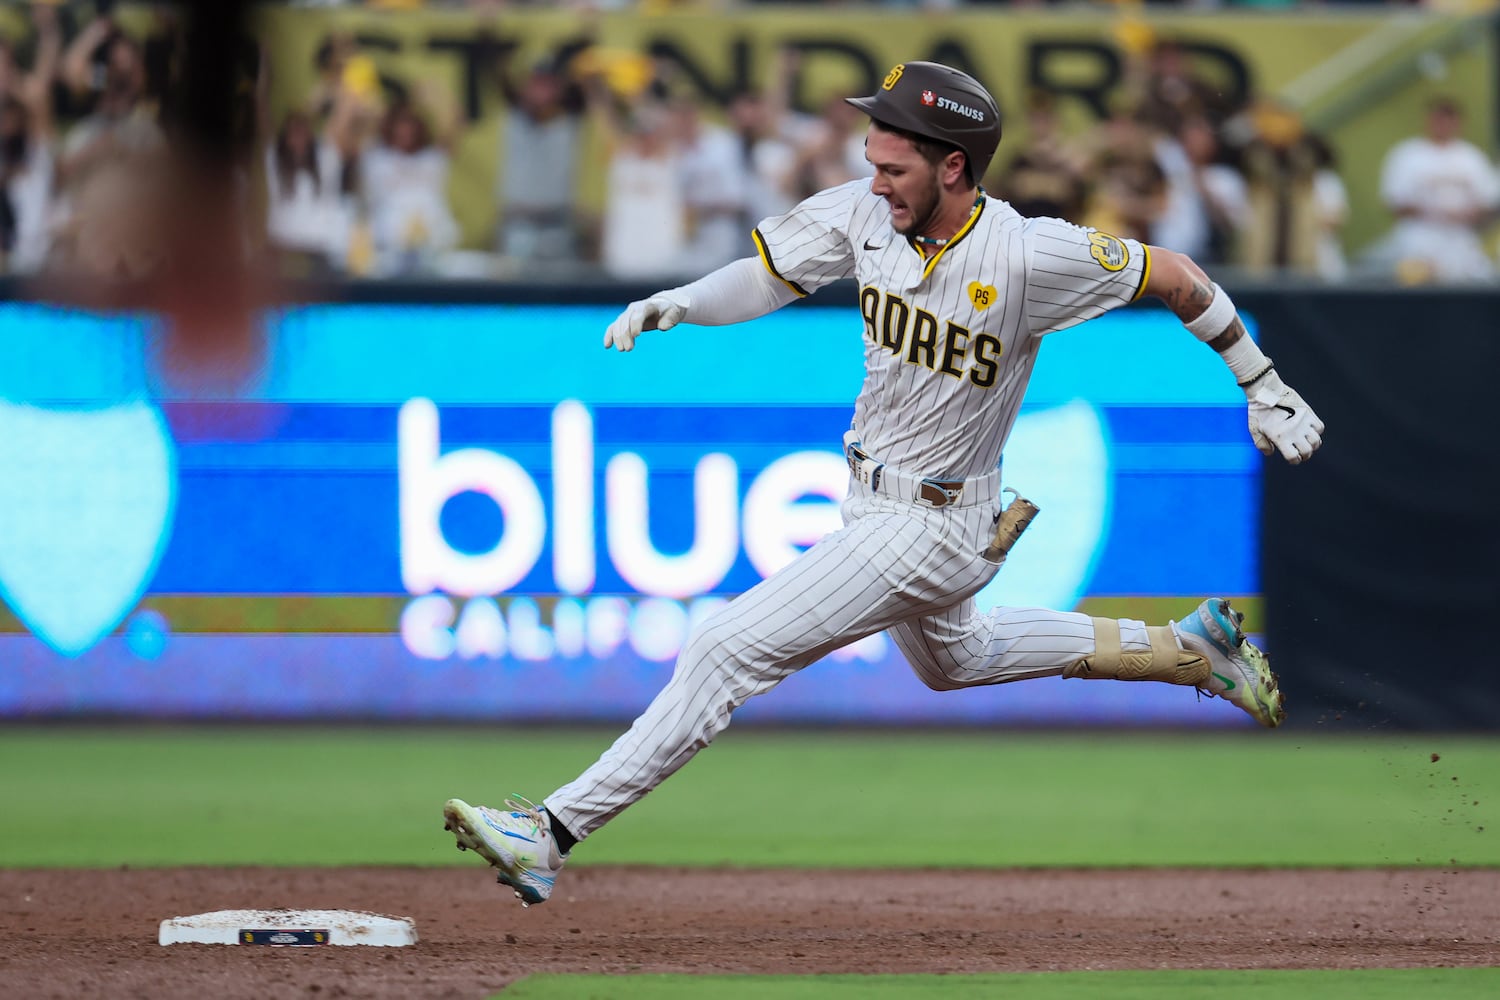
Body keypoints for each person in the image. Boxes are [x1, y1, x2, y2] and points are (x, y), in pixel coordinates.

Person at [442, 61, 1325, 907]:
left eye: (894, 167)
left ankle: (549, 832)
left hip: (937, 521)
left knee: (723, 647)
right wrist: (682, 299)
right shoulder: (867, 217)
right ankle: (1189, 652)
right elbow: (768, 276)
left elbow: (1175, 275)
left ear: (954, 165)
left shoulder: (1027, 255)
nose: (876, 182)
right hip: (879, 499)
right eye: (872, 161)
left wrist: (1264, 382)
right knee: (957, 661)